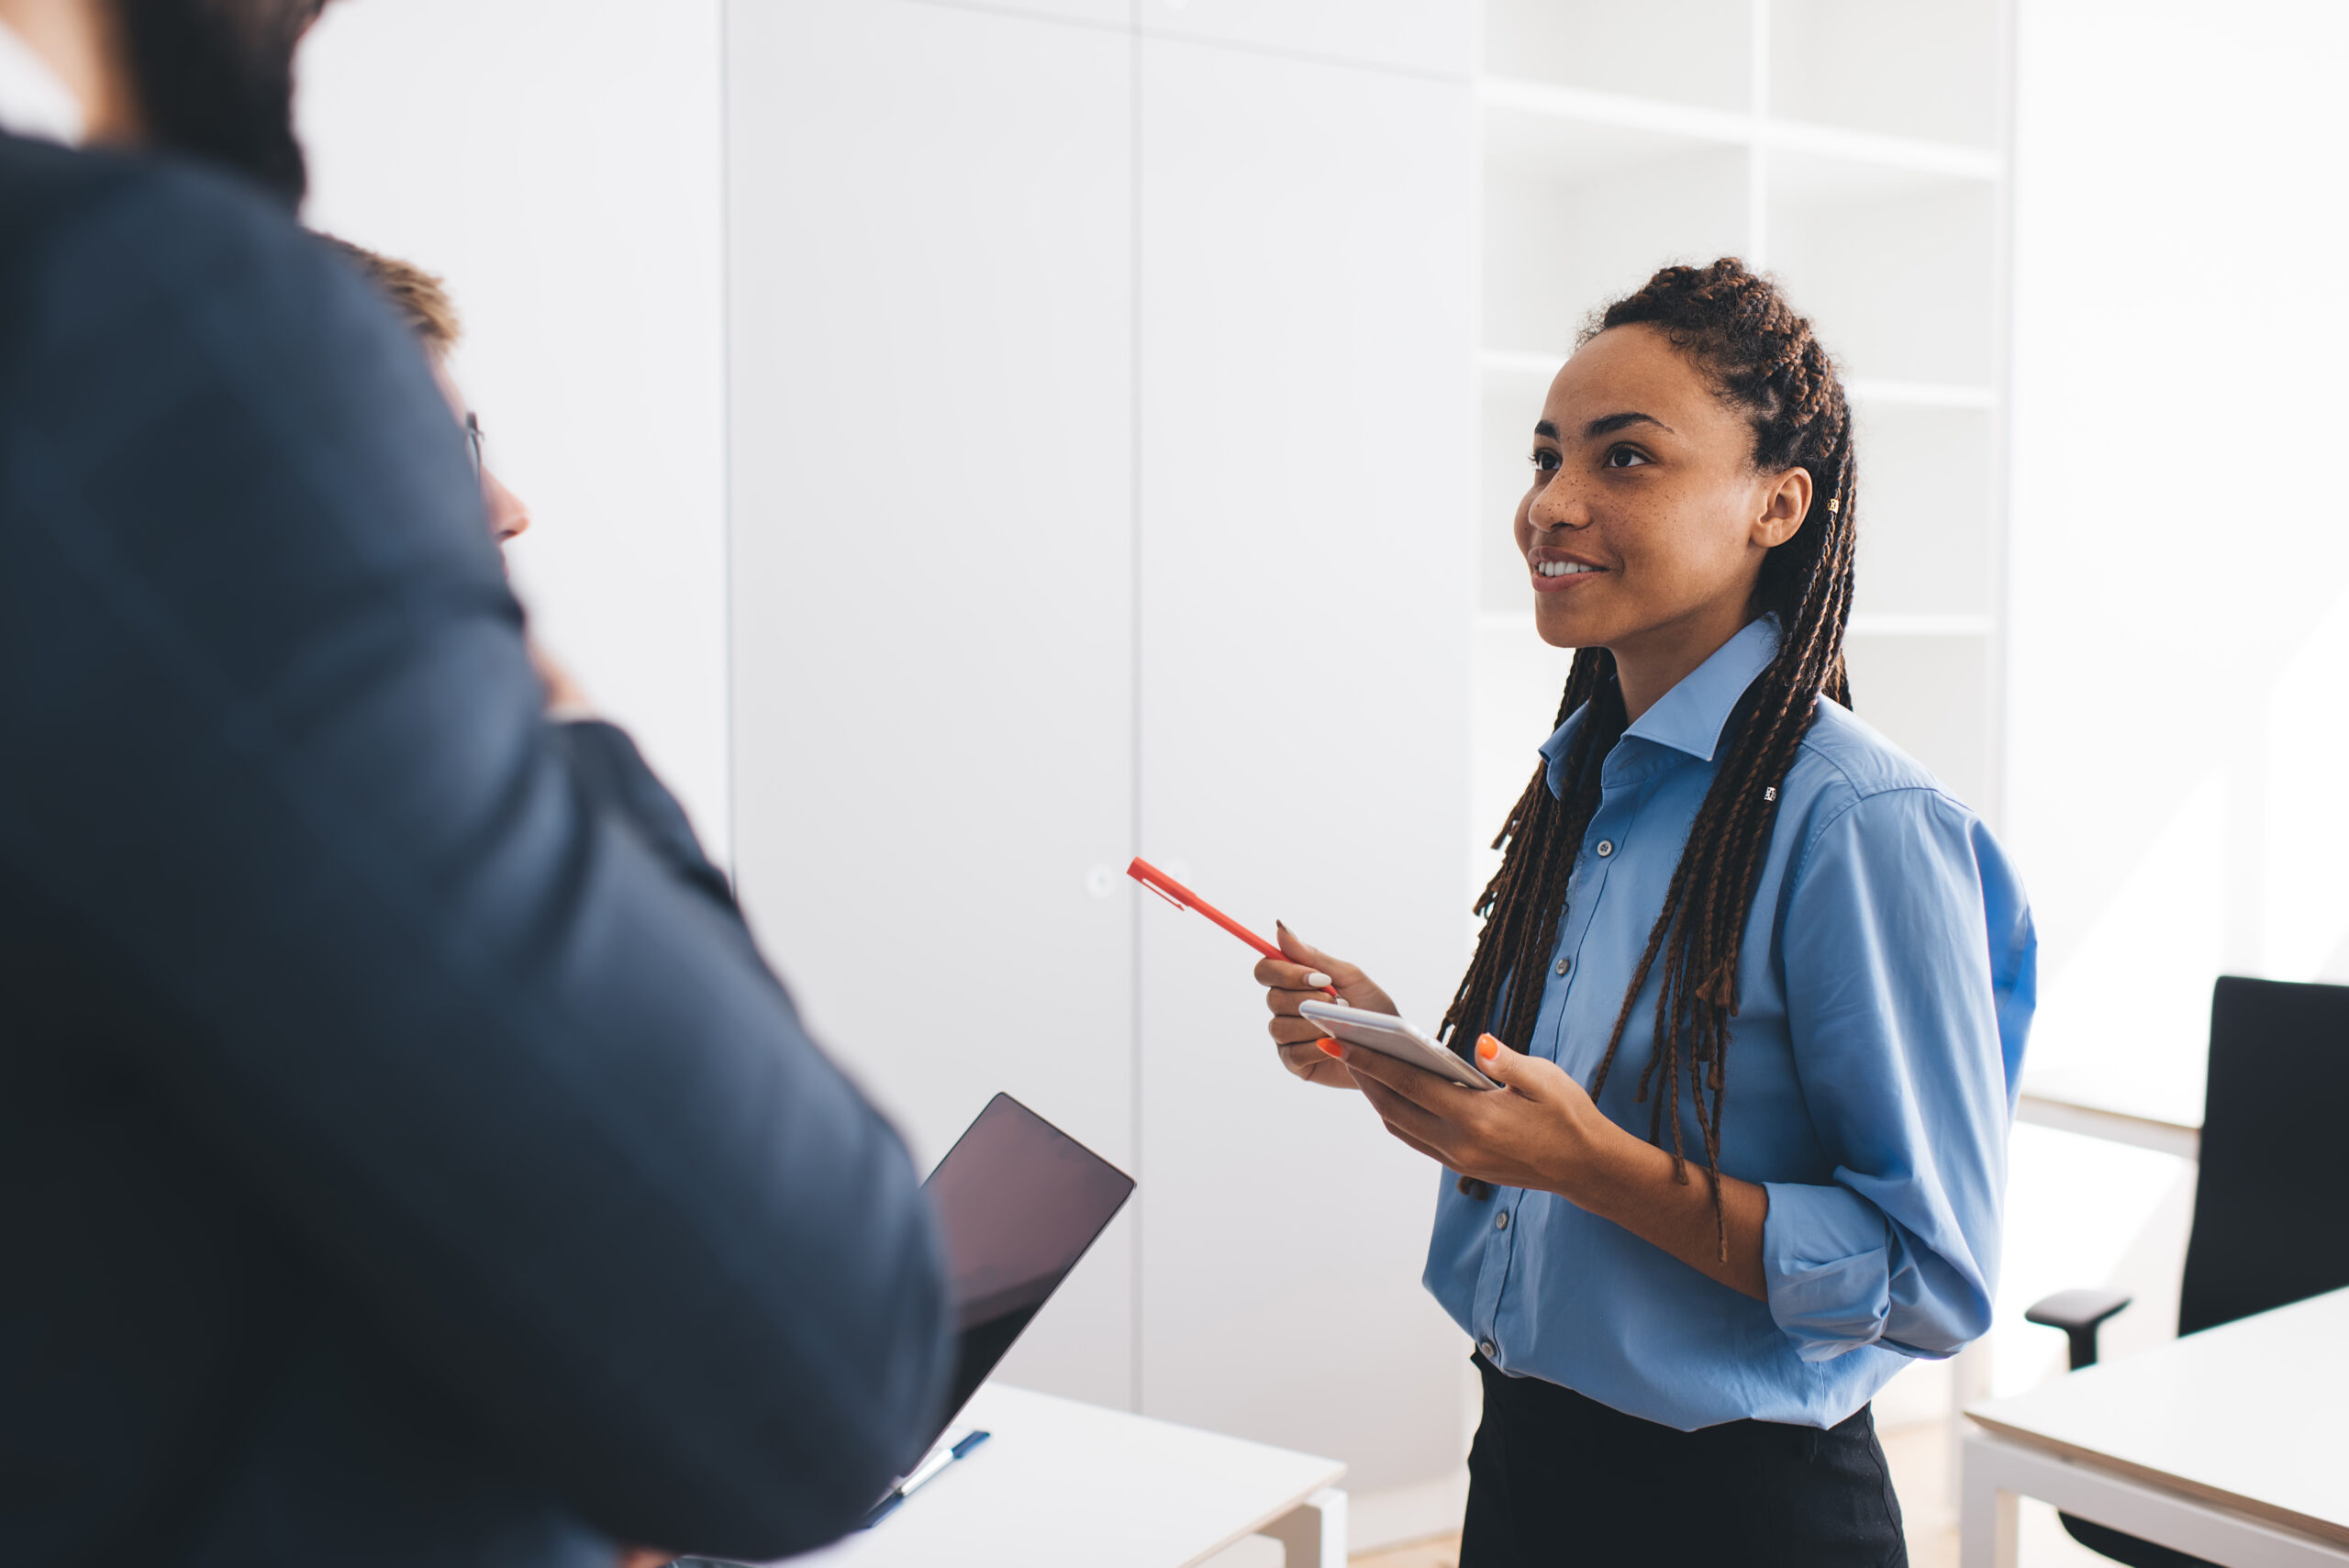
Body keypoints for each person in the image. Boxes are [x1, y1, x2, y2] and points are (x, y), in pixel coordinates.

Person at [0, 6, 952, 1567]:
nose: (498, 509)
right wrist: (563, 723)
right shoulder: (125, 320)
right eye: (441, 449)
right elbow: (816, 1370)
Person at [1257, 260, 2034, 1565]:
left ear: (1777, 505)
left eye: (1625, 460)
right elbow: (1566, 1117)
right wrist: (1405, 1056)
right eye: (1548, 455)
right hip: (1524, 1462)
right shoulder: (1588, 775)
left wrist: (1594, 1166)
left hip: (1739, 1517)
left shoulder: (1862, 825)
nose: (1551, 504)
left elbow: (1932, 1274)